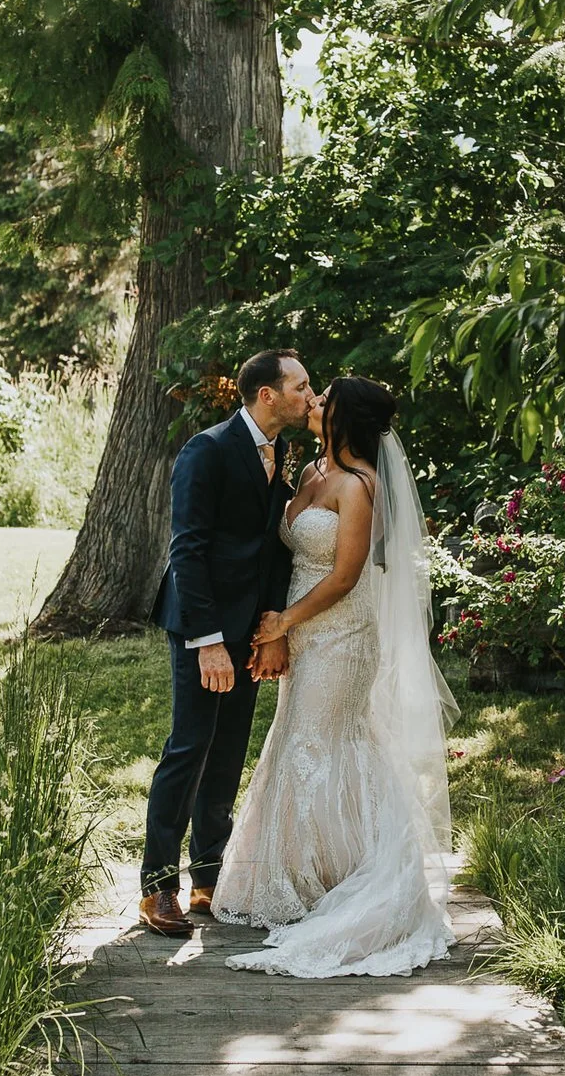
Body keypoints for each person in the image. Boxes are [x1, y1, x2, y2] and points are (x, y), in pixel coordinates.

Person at [212, 376, 457, 977]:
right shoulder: (311, 474)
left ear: (346, 418)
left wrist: (282, 624)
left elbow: (347, 576)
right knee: (299, 740)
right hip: (303, 626)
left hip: (342, 632)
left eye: (324, 399)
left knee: (324, 743)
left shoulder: (360, 486)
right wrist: (283, 628)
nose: (313, 403)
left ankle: (346, 877)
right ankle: (308, 876)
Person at [140, 349, 314, 936]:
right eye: (300, 386)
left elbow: (270, 546)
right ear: (268, 394)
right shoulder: (207, 449)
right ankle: (156, 885)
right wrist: (207, 641)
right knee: (190, 745)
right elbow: (186, 548)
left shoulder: (282, 451)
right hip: (202, 623)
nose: (308, 396)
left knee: (229, 749)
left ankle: (207, 877)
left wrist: (272, 630)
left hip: (250, 629)